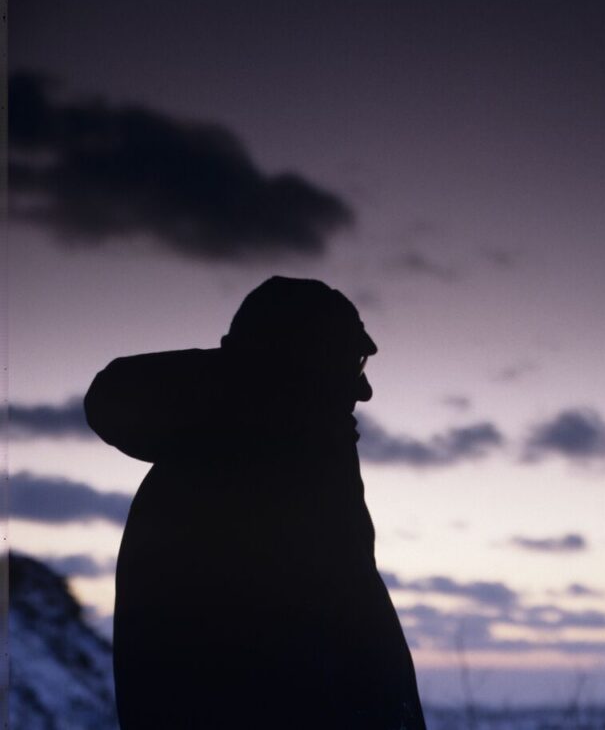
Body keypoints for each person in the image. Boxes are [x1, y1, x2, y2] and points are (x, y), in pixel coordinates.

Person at [85, 276, 426, 729]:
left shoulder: (256, 467)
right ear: (306, 361)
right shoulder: (248, 483)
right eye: (353, 361)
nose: (364, 392)